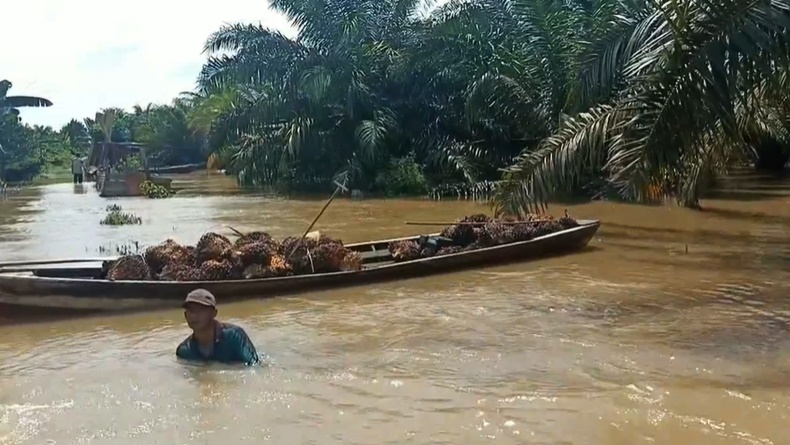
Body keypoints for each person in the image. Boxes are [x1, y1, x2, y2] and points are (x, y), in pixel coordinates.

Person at [176, 289, 261, 365]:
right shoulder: (184, 351)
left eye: (200, 310)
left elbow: (255, 366)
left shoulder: (234, 335)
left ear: (214, 313)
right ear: (185, 315)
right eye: (191, 311)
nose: (194, 316)